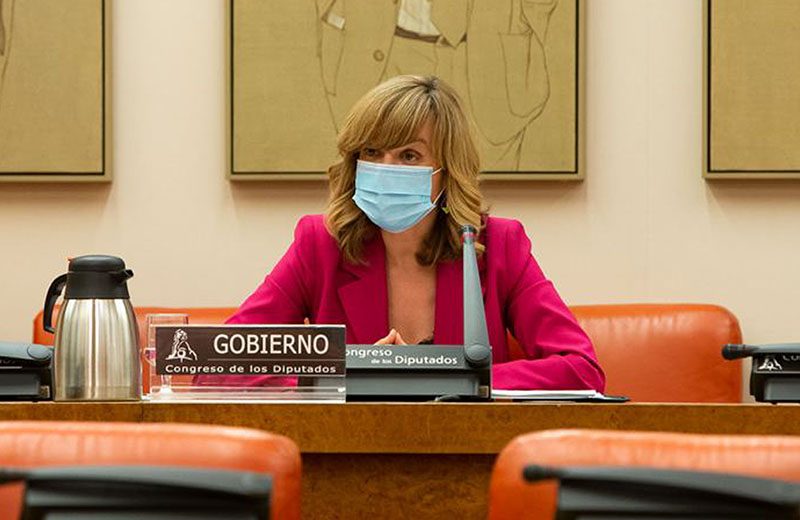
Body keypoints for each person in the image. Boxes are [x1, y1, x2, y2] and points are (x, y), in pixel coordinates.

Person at [211, 75, 603, 391]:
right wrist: (348, 375)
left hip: (467, 455)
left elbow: (582, 369)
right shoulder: (320, 244)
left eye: (409, 155)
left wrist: (452, 379)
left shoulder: (498, 245)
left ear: (446, 172)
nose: (386, 168)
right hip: (350, 454)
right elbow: (220, 363)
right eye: (372, 152)